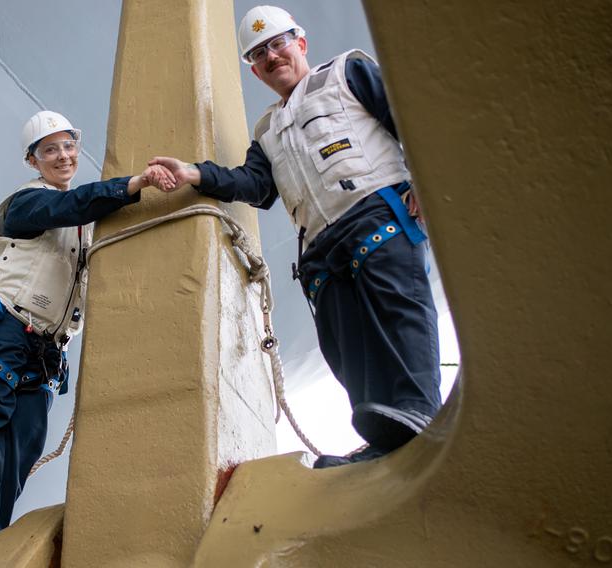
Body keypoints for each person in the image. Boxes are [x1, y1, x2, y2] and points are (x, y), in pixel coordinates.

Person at [148, 6, 441, 468]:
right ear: (254, 69)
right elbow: (254, 186)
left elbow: (403, 115)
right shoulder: (266, 131)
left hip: (376, 216)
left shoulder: (347, 72)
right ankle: (383, 436)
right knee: (346, 348)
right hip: (322, 248)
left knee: (400, 316)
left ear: (300, 43)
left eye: (279, 44)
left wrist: (427, 177)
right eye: (259, 54)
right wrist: (194, 174)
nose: (272, 57)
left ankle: (421, 415)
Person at [0, 110, 175, 549]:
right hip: (3, 326)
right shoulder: (24, 204)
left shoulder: (85, 232)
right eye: (50, 150)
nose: (63, 156)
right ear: (33, 161)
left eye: (68, 146)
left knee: (23, 446)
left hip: (45, 354)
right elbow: (67, 205)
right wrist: (132, 186)